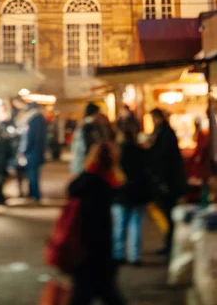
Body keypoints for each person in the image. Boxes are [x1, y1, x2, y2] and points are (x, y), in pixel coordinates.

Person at [68, 142, 126, 305]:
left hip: (81, 249)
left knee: (84, 295)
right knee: (105, 293)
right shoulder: (104, 186)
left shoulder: (84, 181)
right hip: (96, 254)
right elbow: (99, 227)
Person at [147, 108, 187, 256]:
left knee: (169, 214)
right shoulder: (163, 133)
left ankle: (171, 245)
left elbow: (165, 158)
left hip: (168, 181)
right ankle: (170, 243)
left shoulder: (165, 134)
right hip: (168, 180)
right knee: (168, 214)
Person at [112, 124, 150, 265]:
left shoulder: (116, 153)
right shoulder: (141, 152)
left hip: (121, 193)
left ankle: (118, 254)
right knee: (136, 225)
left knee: (119, 225)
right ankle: (134, 256)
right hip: (138, 192)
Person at [70, 103, 114, 176]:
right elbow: (89, 141)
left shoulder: (84, 122)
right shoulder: (90, 123)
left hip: (81, 151)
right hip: (86, 152)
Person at [18, 101, 47, 202]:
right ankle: (33, 194)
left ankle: (35, 195)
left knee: (33, 174)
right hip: (37, 151)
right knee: (33, 174)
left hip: (32, 152)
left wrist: (24, 150)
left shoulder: (34, 119)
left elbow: (30, 137)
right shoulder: (40, 118)